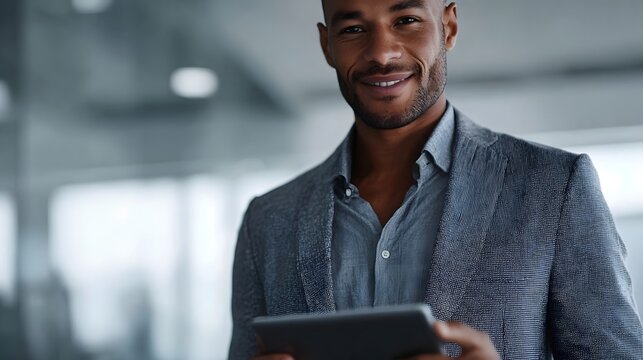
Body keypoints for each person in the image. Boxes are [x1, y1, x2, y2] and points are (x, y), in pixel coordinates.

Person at [228, 0, 643, 359]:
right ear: (327, 45)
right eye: (353, 29)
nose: (382, 53)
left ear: (448, 26)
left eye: (406, 20)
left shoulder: (554, 187)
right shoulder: (267, 222)